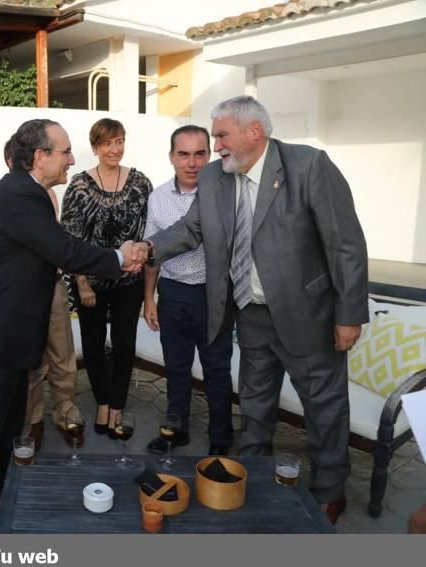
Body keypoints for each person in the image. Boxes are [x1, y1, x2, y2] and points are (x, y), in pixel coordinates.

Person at [145, 96, 368, 524]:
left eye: (222, 135)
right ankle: (254, 474)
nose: (216, 145)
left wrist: (349, 315)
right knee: (255, 403)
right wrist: (150, 247)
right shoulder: (215, 178)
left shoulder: (308, 166)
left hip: (310, 317)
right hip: (251, 314)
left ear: (254, 132)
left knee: (324, 408)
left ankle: (329, 488)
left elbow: (346, 245)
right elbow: (191, 229)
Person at [0, 119, 148, 534]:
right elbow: (64, 250)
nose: (72, 159)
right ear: (40, 156)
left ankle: (5, 502)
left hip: (9, 339)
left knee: (3, 433)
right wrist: (120, 258)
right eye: (66, 151)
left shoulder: (28, 192)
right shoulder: (20, 195)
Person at [143, 125, 234, 456]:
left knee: (216, 370)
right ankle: (176, 429)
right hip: (173, 293)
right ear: (171, 157)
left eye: (199, 154)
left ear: (209, 156)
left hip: (214, 296)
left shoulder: (227, 194)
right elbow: (153, 254)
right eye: (184, 154)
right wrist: (148, 299)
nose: (192, 163)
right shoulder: (158, 198)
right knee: (176, 367)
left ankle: (221, 438)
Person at [61, 118, 152, 437]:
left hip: (130, 281)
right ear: (95, 147)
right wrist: (82, 281)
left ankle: (117, 406)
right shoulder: (79, 185)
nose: (115, 149)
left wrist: (141, 257)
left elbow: (148, 230)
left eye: (119, 141)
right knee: (94, 344)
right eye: (107, 143)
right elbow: (70, 240)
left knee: (125, 344)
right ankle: (101, 402)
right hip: (91, 283)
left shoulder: (140, 183)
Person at [3, 139, 84, 451]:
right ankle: (34, 420)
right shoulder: (11, 200)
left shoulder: (48, 195)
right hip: (25, 293)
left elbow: (59, 245)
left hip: (53, 287)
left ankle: (66, 412)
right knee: (33, 362)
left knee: (63, 355)